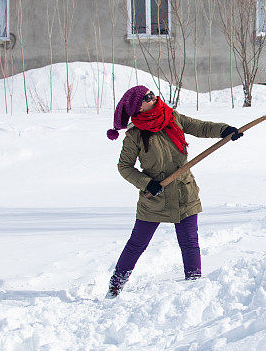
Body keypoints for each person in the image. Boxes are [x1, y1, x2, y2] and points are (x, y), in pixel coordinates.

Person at [104, 85, 243, 298]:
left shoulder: (171, 117)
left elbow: (200, 127)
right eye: (148, 97)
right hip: (154, 198)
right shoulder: (135, 135)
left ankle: (194, 286)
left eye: (151, 93)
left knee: (189, 242)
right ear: (138, 107)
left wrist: (224, 130)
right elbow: (124, 167)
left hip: (183, 192)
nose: (154, 97)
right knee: (137, 244)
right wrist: (146, 183)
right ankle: (115, 286)